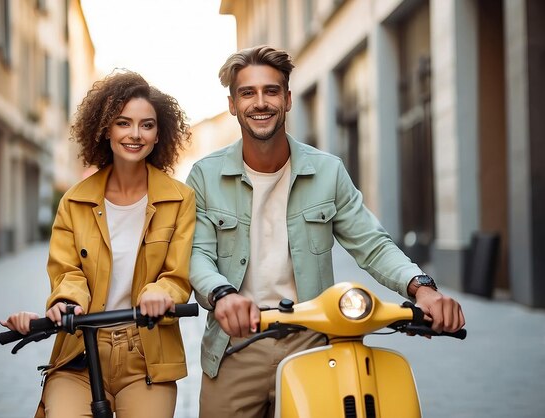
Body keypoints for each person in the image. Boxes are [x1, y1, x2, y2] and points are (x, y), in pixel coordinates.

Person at [186, 45, 466, 418]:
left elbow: (373, 244)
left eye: (271, 91)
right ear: (233, 104)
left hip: (314, 339)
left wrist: (423, 288)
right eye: (247, 93)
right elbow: (197, 254)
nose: (260, 102)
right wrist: (223, 296)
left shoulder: (327, 171)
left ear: (287, 99)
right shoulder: (205, 176)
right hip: (236, 343)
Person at [0, 70, 195, 418]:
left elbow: (178, 276)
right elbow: (66, 272)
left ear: (158, 133)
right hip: (80, 352)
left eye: (146, 125)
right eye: (123, 123)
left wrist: (159, 290)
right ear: (106, 129)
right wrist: (68, 302)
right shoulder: (74, 202)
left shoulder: (180, 199)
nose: (135, 134)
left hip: (147, 356)